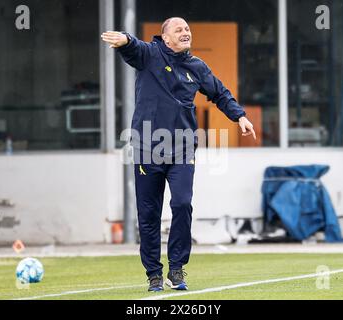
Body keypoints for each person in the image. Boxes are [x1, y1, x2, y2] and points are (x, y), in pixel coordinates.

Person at [101, 17, 256, 292]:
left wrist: (239, 116)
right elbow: (133, 47)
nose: (186, 33)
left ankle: (176, 268)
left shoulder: (197, 67)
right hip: (147, 147)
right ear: (166, 37)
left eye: (187, 29)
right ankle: (153, 274)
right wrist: (125, 39)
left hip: (182, 148)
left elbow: (219, 93)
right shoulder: (150, 55)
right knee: (148, 215)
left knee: (182, 204)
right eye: (179, 30)